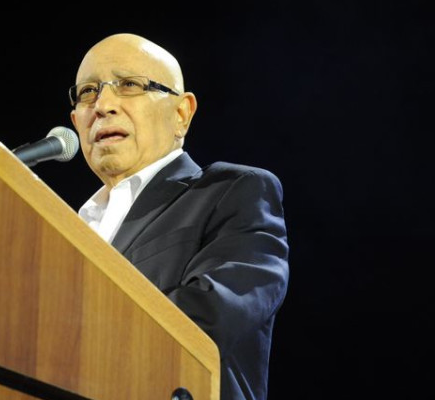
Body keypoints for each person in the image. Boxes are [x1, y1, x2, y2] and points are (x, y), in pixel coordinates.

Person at [68, 33, 289, 400]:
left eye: (129, 85)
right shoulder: (64, 229)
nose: (103, 105)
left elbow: (213, 314)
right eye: (88, 91)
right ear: (75, 121)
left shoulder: (233, 192)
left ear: (181, 114)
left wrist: (67, 336)